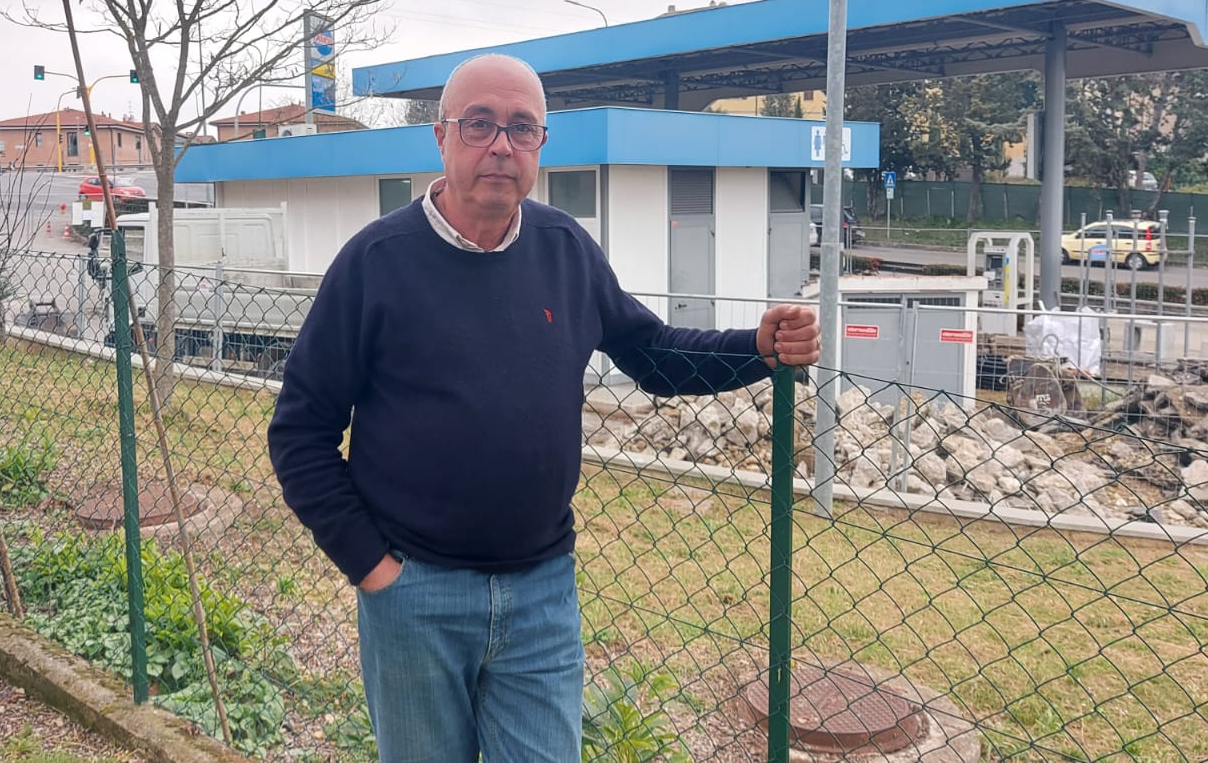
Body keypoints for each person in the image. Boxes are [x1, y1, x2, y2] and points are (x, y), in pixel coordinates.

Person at [268, 53, 821, 762]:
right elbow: (301, 432)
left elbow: (650, 353)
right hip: (415, 591)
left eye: (521, 127)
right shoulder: (375, 262)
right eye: (479, 124)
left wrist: (756, 348)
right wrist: (374, 569)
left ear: (540, 145)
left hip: (541, 596)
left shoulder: (566, 250)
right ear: (440, 137)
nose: (501, 145)